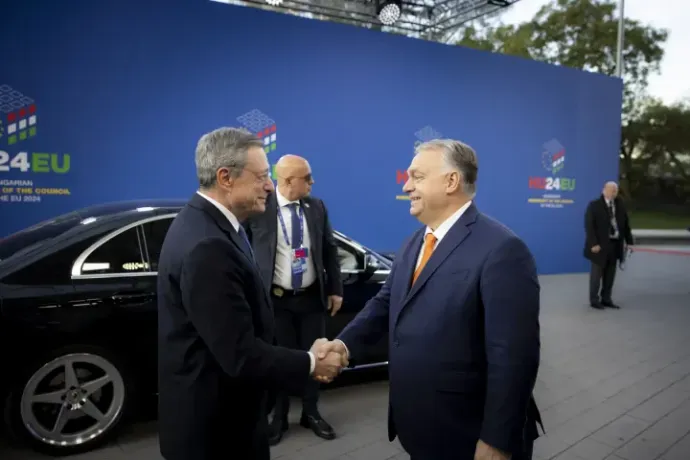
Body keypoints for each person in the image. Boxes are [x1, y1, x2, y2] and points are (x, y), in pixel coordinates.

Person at [315, 139, 543, 460]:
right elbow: (384, 303)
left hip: (470, 433)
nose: (407, 186)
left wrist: (497, 440)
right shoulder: (414, 242)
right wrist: (343, 345)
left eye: (417, 176)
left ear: (451, 181)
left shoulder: (502, 249)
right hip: (421, 428)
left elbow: (514, 356)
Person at [156, 127, 345, 460]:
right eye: (261, 177)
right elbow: (240, 355)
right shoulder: (208, 245)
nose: (270, 186)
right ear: (225, 177)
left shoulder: (209, 225)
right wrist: (312, 361)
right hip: (217, 434)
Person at [244, 154, 343, 444]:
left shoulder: (316, 207)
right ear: (287, 181)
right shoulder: (260, 207)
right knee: (281, 360)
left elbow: (329, 248)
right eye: (307, 178)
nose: (312, 182)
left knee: (317, 356)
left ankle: (311, 412)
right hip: (276, 302)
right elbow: (245, 254)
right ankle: (279, 416)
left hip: (311, 298)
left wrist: (335, 288)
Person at [584, 181, 634, 309]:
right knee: (597, 275)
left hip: (615, 245)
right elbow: (590, 227)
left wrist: (629, 242)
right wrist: (593, 244)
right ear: (604, 190)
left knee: (610, 274)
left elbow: (626, 225)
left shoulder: (620, 205)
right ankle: (594, 300)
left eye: (615, 190)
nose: (613, 193)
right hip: (599, 246)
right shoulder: (594, 206)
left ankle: (606, 298)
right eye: (611, 190)